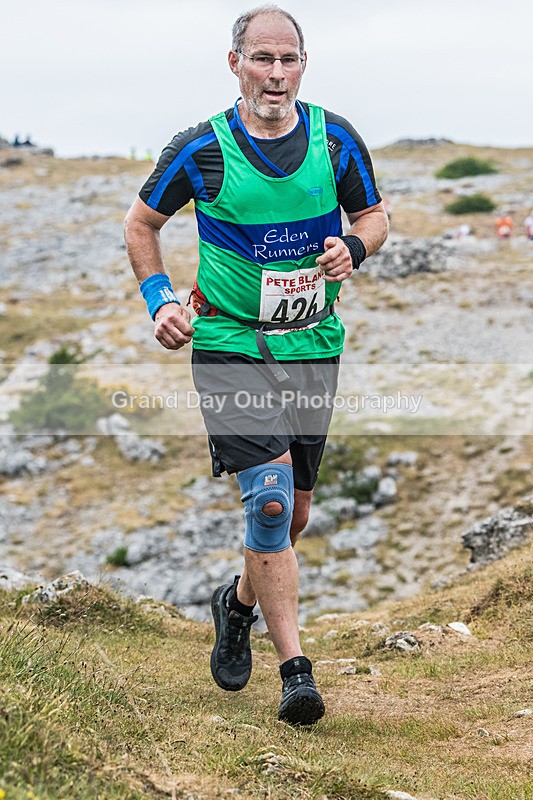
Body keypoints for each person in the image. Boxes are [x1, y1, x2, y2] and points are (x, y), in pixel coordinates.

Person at [124, 3, 388, 726]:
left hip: (311, 345)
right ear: (235, 63)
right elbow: (142, 223)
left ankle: (236, 604)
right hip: (230, 343)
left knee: (291, 515)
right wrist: (159, 300)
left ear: (303, 64)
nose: (276, 75)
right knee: (268, 499)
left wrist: (354, 248)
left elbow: (374, 215)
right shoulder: (201, 149)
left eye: (289, 60)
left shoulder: (335, 140)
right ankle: (295, 672)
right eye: (261, 59)